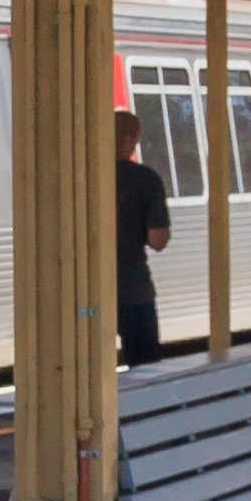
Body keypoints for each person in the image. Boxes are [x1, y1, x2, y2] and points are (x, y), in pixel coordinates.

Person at [115, 106, 172, 365]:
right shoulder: (145, 180)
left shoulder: (82, 178)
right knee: (144, 367)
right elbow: (157, 240)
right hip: (132, 289)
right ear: (129, 138)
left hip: (87, 291)